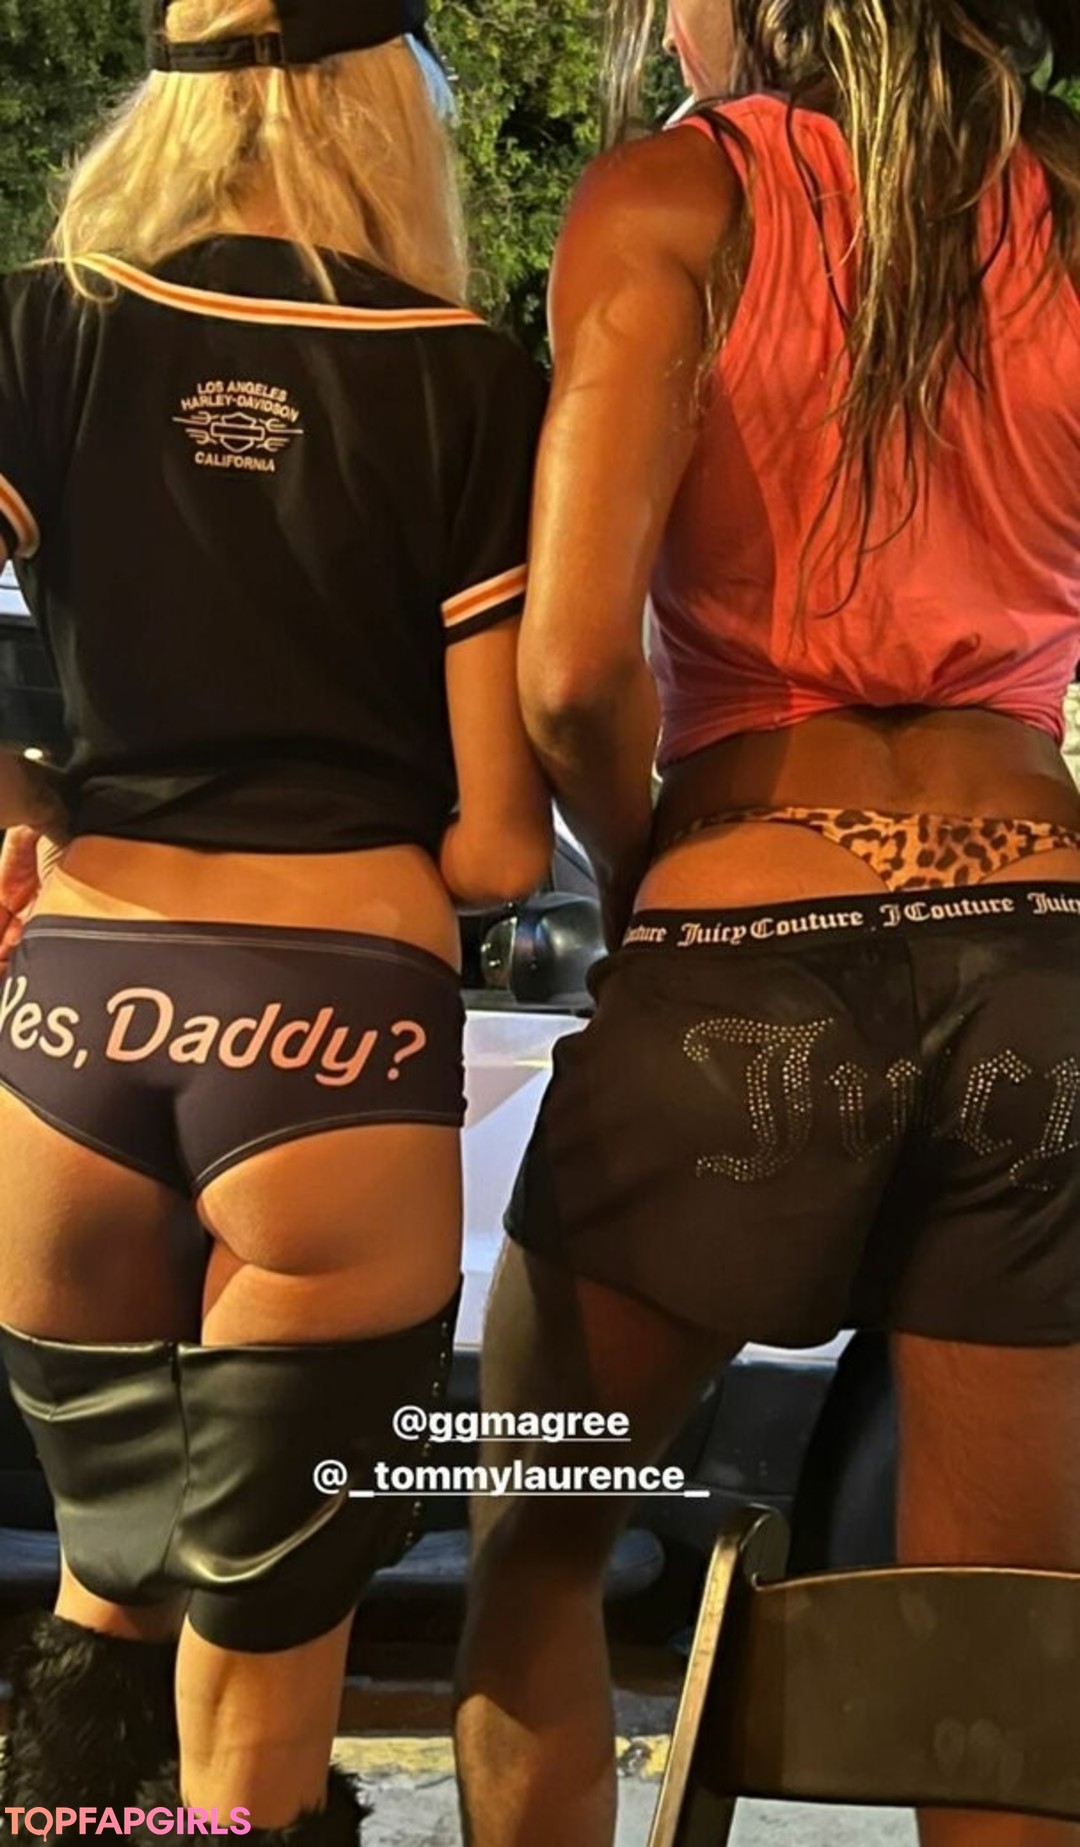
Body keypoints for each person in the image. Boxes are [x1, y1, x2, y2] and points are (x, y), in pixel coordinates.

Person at [453, 3, 1080, 1845]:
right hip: (1044, 962)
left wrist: (652, 870)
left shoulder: (672, 198)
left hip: (749, 934)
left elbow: (571, 672)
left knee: (533, 1548)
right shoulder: (1068, 201)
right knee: (997, 1654)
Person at [0, 1, 551, 1840]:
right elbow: (500, 845)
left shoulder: (45, 325)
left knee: (109, 1577)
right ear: (388, 103)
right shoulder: (466, 379)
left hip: (77, 1014)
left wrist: (27, 798)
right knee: (263, 1649)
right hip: (330, 1015)